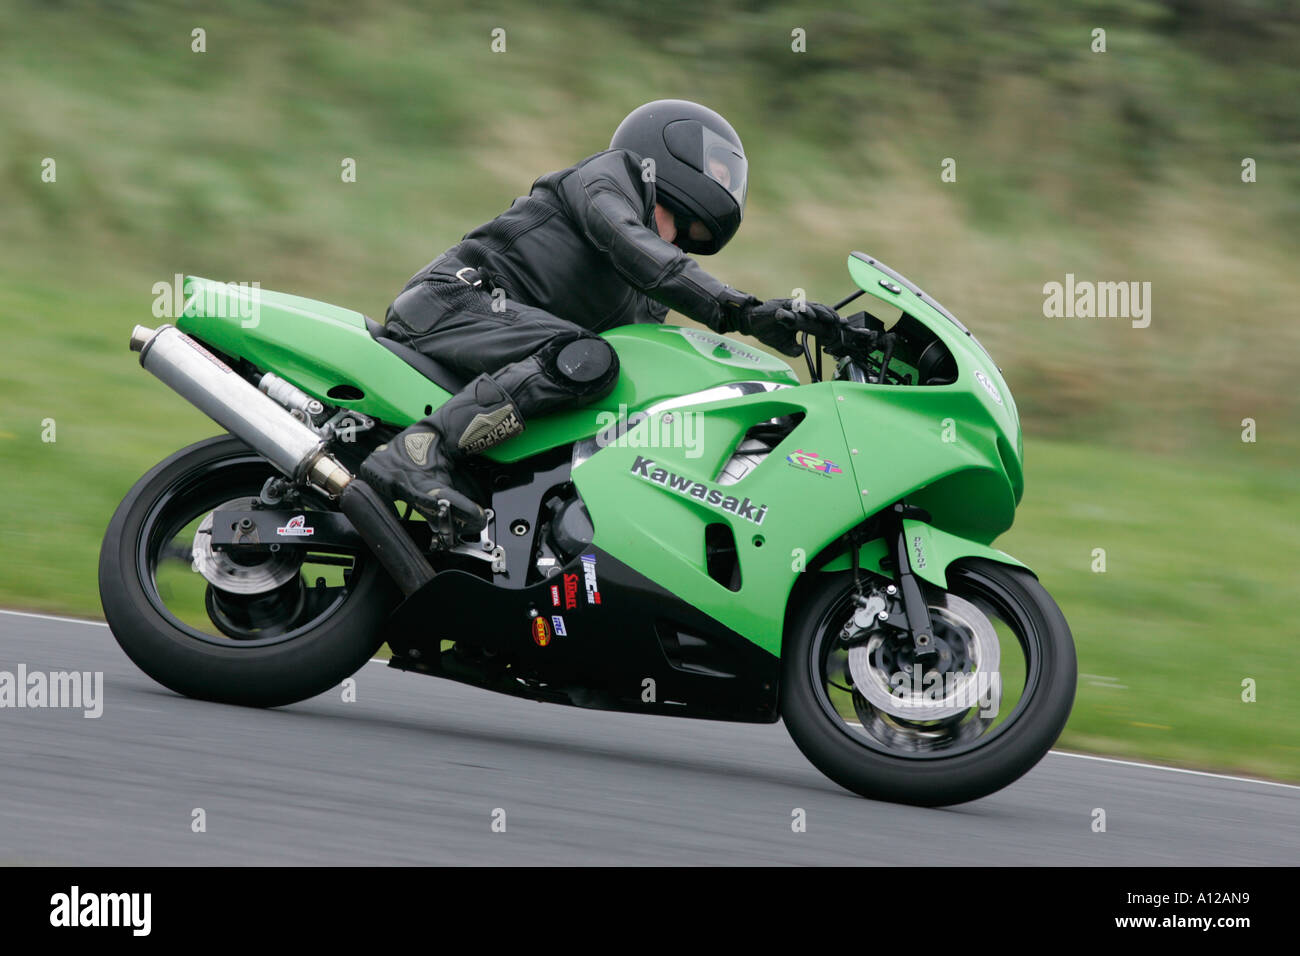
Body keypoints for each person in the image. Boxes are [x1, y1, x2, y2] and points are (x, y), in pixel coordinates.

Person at [361, 99, 839, 536]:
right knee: (589, 358)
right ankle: (418, 452)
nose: (674, 244)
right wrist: (742, 311)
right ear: (672, 150)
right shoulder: (609, 178)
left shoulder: (647, 299)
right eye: (717, 167)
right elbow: (633, 245)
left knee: (607, 389)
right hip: (455, 300)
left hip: (502, 347)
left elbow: (642, 375)